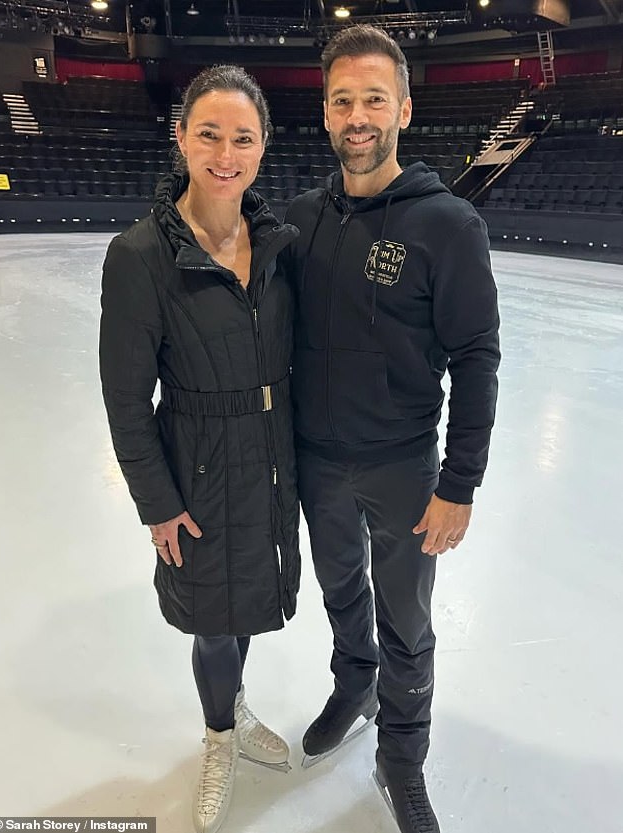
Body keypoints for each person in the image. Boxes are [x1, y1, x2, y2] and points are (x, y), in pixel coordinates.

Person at [284, 25, 500, 833]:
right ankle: (354, 685)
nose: (358, 115)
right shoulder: (302, 218)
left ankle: (401, 755)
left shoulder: (446, 225)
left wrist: (459, 483)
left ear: (403, 108)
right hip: (317, 462)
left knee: (407, 620)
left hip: (405, 468)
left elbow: (476, 357)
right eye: (343, 100)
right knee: (342, 591)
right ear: (327, 114)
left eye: (375, 98)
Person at [99, 65, 301, 833]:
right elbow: (126, 397)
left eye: (242, 137)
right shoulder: (140, 255)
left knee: (249, 598)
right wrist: (158, 500)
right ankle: (220, 733)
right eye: (209, 134)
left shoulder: (277, 242)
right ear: (180, 137)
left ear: (262, 147)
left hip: (274, 456)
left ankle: (235, 708)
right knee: (213, 622)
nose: (226, 153)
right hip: (199, 465)